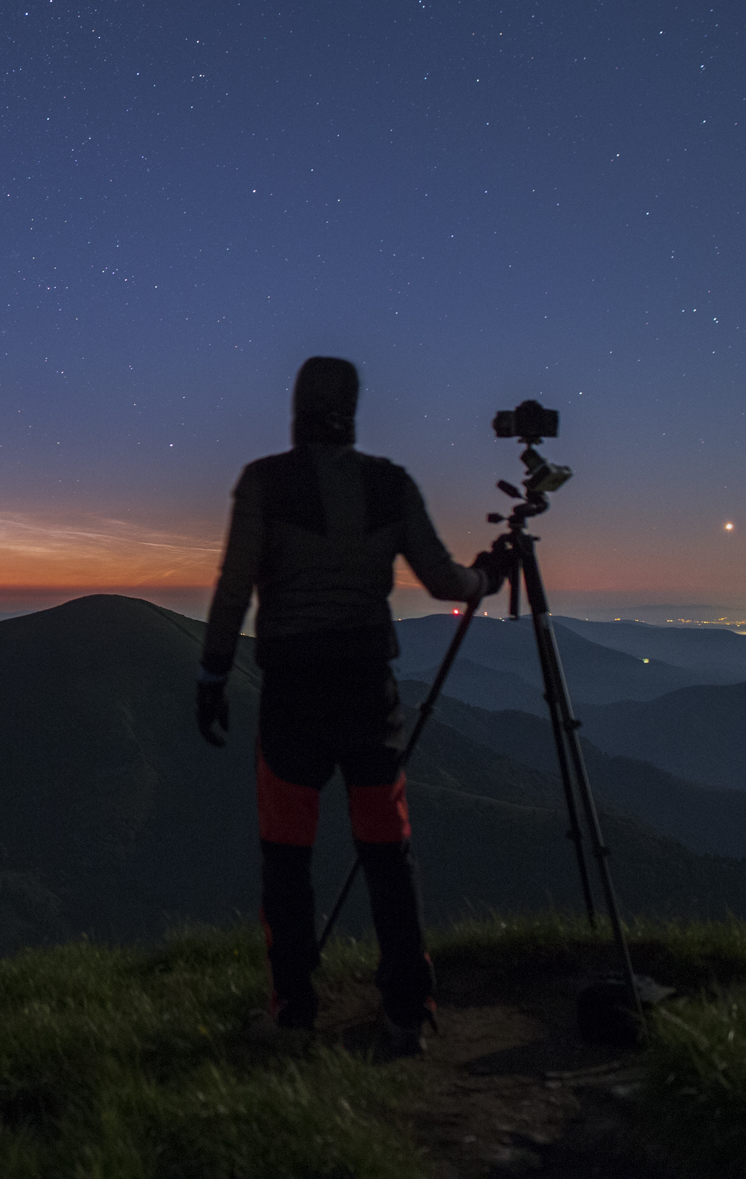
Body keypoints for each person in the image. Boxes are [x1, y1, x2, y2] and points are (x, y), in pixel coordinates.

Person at [193, 356, 504, 1054]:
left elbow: (234, 585)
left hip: (294, 694)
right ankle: (407, 1010)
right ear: (354, 409)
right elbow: (440, 577)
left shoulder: (265, 481)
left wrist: (213, 674)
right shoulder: (390, 484)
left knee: (287, 856)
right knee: (388, 851)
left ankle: (293, 1014)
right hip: (370, 691)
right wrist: (486, 576)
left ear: (297, 406)